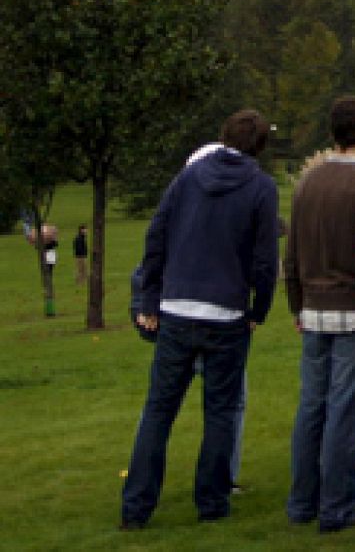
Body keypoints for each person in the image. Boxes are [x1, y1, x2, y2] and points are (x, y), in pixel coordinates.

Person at [121, 110, 279, 531]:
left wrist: (150, 297)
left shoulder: (189, 178)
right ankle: (211, 503)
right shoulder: (261, 187)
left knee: (159, 411)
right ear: (259, 146)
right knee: (221, 412)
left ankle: (136, 508)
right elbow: (265, 261)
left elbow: (157, 234)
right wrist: (258, 310)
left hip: (176, 307)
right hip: (226, 311)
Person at [283, 96, 355, 533]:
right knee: (343, 408)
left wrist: (296, 302)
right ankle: (337, 504)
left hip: (313, 303)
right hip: (354, 306)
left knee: (311, 405)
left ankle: (303, 500)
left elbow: (291, 252)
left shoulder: (307, 182)